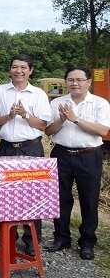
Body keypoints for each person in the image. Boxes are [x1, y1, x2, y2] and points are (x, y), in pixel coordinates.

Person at [44, 67, 110, 261]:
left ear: (88, 82)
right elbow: (49, 131)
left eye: (79, 80)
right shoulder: (57, 102)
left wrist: (76, 119)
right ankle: (61, 237)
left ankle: (87, 242)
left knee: (89, 200)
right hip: (61, 154)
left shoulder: (99, 103)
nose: (75, 83)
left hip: (88, 156)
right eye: (70, 79)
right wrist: (62, 119)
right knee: (61, 198)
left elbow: (102, 131)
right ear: (65, 82)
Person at [0, 54, 51, 257]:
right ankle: (8, 239)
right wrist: (10, 116)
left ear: (30, 70)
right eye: (15, 67)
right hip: (6, 147)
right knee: (6, 195)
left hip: (31, 149)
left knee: (33, 194)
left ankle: (32, 240)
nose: (19, 71)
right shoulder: (0, 91)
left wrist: (24, 114)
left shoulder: (38, 94)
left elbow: (43, 125)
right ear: (10, 69)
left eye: (23, 67)